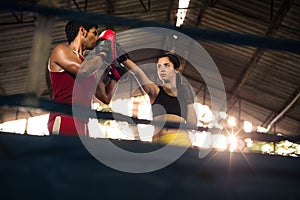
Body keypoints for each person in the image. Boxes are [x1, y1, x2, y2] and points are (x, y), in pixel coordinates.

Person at [47, 21, 124, 136]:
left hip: (83, 125)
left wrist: (117, 74)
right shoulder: (60, 50)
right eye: (94, 33)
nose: (97, 39)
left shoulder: (88, 66)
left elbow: (106, 97)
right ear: (82, 31)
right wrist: (103, 52)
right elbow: (82, 71)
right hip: (65, 118)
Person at [119, 52, 198, 147]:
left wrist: (189, 101)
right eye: (159, 66)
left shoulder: (184, 95)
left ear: (176, 70)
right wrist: (121, 57)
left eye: (166, 65)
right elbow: (137, 72)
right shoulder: (155, 91)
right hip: (158, 143)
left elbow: (192, 124)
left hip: (180, 142)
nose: (162, 69)